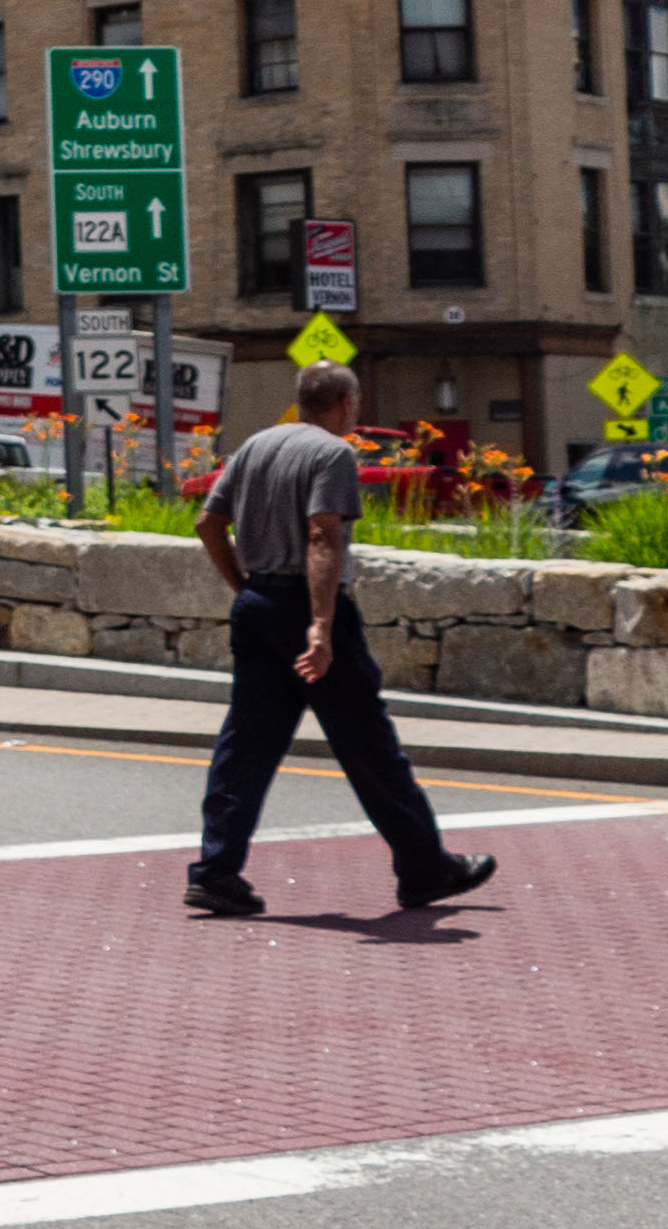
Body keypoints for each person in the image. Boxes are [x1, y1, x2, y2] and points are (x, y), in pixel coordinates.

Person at [186, 361, 499, 920]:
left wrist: (247, 591)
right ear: (346, 405)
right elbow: (322, 534)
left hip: (258, 604)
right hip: (308, 609)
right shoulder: (332, 455)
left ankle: (215, 871)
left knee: (246, 744)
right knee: (368, 743)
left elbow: (208, 523)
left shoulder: (255, 446)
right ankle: (425, 868)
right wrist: (320, 626)